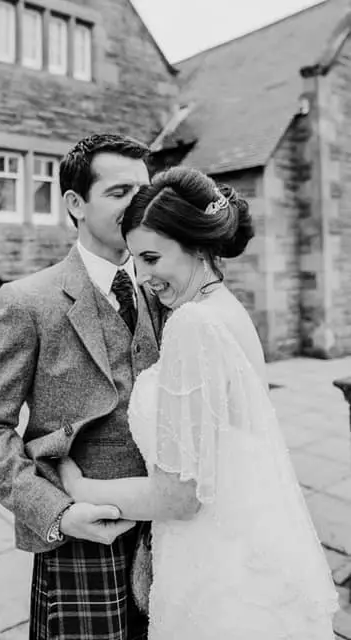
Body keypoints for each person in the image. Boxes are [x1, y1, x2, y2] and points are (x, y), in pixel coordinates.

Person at [59, 166, 339, 639]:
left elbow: (178, 496)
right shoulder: (228, 310)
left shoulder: (193, 325)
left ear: (196, 245)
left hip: (213, 563)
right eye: (136, 261)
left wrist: (78, 487)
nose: (143, 277)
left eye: (152, 258)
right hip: (247, 543)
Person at [0, 133, 166, 640]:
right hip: (82, 536)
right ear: (75, 203)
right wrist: (59, 513)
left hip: (168, 524)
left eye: (143, 191)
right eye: (119, 192)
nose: (138, 204)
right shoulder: (28, 301)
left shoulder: (163, 290)